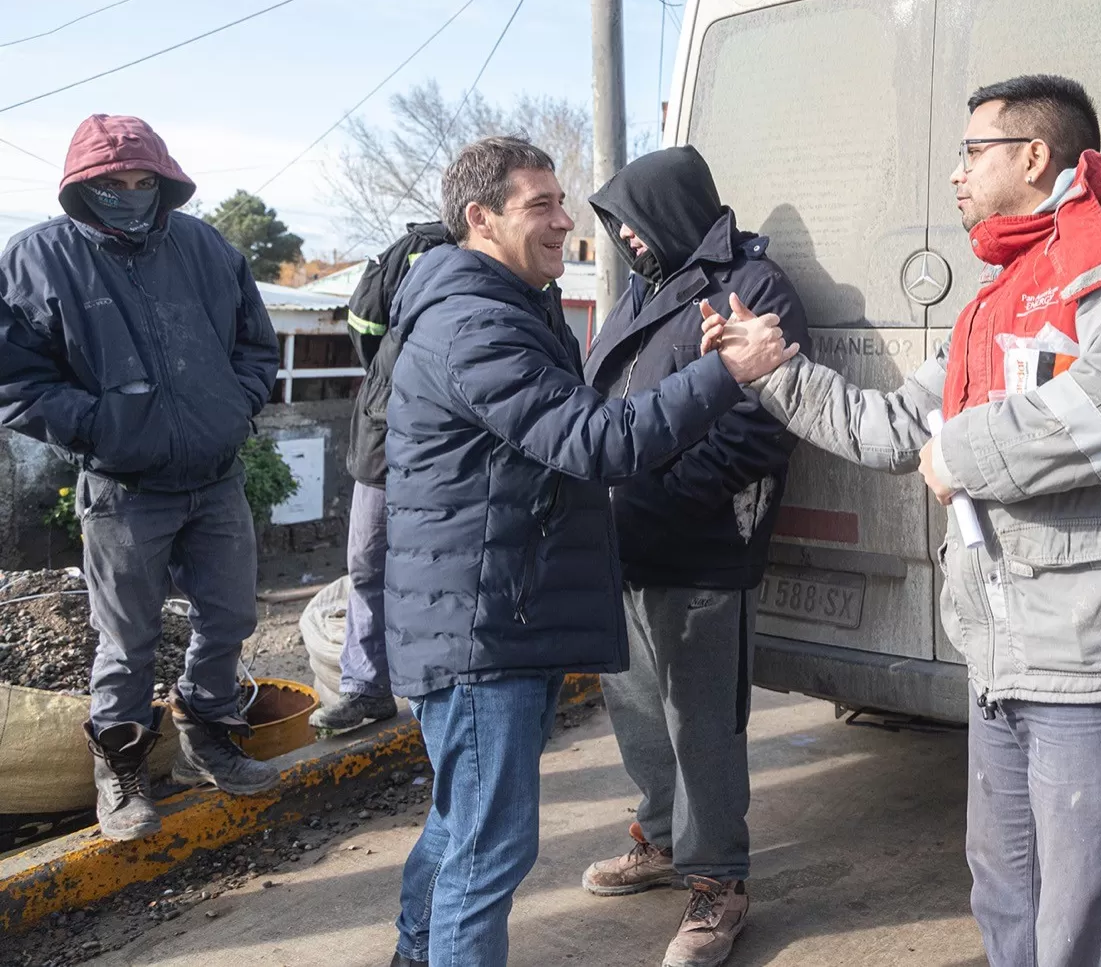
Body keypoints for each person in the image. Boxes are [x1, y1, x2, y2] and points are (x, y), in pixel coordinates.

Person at [702, 75, 1101, 967]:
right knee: (1006, 893)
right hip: (1005, 657)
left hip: (1099, 662)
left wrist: (965, 451)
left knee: (1087, 924)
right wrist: (773, 369)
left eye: (972, 152)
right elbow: (897, 427)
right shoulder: (996, 297)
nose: (955, 176)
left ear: (1035, 155)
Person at [382, 136, 796, 967]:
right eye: (542, 205)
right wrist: (723, 376)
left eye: (565, 202)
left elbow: (692, 433)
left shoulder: (513, 303)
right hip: (482, 627)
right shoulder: (477, 322)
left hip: (533, 602)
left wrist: (657, 494)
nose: (569, 222)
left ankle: (418, 952)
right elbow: (592, 433)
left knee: (467, 826)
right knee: (485, 850)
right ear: (479, 218)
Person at [0, 114, 281, 841]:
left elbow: (255, 343)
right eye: (111, 184)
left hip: (215, 475)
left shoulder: (205, 246)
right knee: (125, 637)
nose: (129, 194)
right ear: (82, 187)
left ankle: (208, 732)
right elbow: (15, 380)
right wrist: (103, 428)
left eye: (142, 182)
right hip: (124, 488)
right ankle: (119, 768)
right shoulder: (37, 258)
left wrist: (235, 405)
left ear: (163, 182)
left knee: (229, 616)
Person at [580, 146, 809, 967]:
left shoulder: (751, 285)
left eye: (634, 223)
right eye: (617, 229)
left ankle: (720, 880)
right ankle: (665, 836)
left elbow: (758, 424)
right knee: (638, 706)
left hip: (701, 542)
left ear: (673, 210)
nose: (627, 241)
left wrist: (660, 494)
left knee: (703, 723)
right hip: (622, 542)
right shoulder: (647, 288)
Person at [310, 221, 452, 732]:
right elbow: (364, 327)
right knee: (369, 564)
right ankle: (367, 688)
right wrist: (396, 380)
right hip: (384, 439)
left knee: (444, 570)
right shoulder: (413, 249)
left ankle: (442, 697)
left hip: (453, 447)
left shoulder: (510, 251)